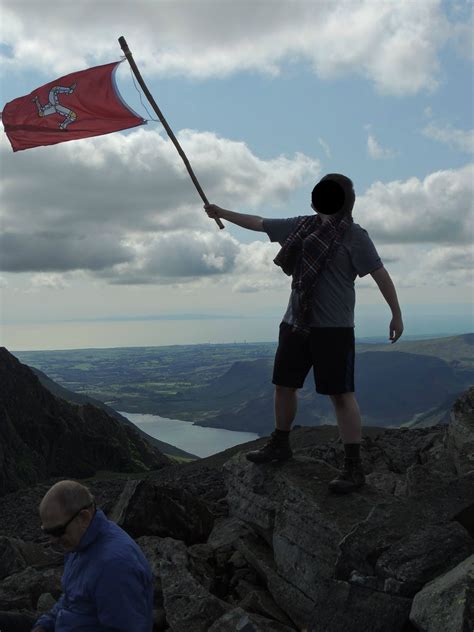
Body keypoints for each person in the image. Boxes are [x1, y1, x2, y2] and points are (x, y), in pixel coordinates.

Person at [204, 173, 404, 494]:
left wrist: (396, 313)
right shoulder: (301, 226)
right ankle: (280, 444)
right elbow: (259, 222)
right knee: (284, 385)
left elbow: (380, 272)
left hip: (334, 329)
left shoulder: (355, 236)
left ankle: (353, 467)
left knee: (340, 394)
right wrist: (222, 212)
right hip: (296, 323)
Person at [31, 480, 153, 632]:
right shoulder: (78, 543)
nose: (53, 540)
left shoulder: (113, 567)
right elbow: (70, 599)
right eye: (47, 532)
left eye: (57, 531)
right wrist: (44, 625)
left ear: (83, 517)